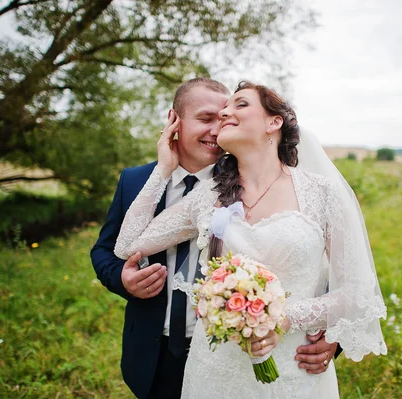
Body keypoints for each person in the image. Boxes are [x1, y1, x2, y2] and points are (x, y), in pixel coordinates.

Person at [113, 81, 387, 398]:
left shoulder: (322, 194)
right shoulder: (208, 196)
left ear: (274, 122)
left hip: (291, 368)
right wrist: (163, 169)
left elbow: (357, 291)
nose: (225, 112)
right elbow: (127, 245)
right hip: (213, 369)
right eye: (222, 109)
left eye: (239, 104)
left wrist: (281, 320)